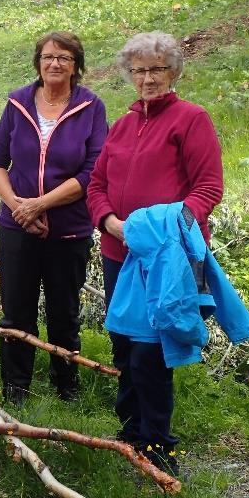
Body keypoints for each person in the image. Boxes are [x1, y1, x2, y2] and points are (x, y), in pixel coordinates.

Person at [86, 31, 224, 475]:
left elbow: (208, 188)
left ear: (174, 72)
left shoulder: (191, 119)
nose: (147, 78)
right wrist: (111, 223)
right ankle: (129, 433)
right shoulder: (122, 126)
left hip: (168, 257)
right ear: (129, 74)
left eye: (157, 69)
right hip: (118, 251)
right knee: (124, 343)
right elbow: (97, 186)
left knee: (151, 349)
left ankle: (159, 445)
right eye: (139, 70)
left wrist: (168, 228)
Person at [0, 31, 108, 406]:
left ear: (76, 66)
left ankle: (66, 389)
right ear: (38, 62)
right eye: (48, 57)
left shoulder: (91, 107)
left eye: (64, 58)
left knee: (63, 313)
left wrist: (40, 205)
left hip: (68, 230)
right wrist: (19, 208)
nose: (55, 64)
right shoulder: (17, 102)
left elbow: (93, 172)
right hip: (17, 228)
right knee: (16, 312)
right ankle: (16, 390)